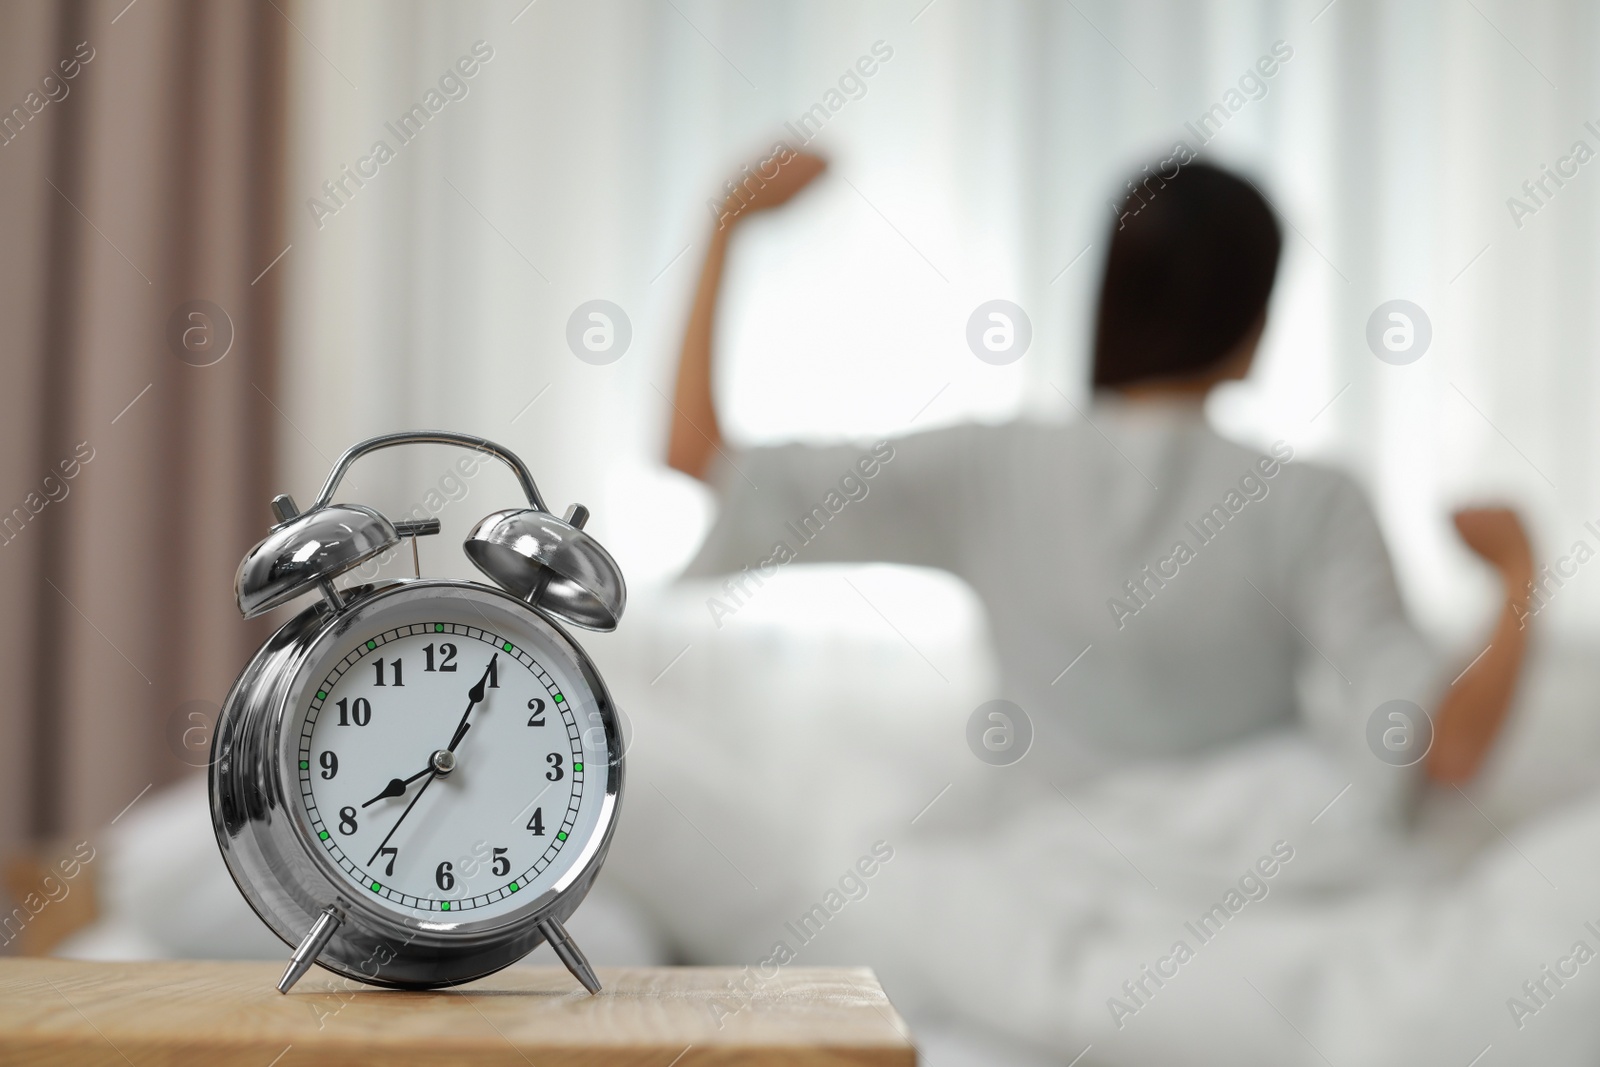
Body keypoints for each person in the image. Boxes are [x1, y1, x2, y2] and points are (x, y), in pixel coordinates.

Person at [666, 146, 1533, 813]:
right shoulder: (1312, 502)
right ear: (1256, 321)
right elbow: (1443, 751)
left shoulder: (989, 467)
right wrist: (1520, 574)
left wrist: (726, 220)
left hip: (1040, 888)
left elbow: (699, 457)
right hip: (1257, 886)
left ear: (1109, 298)